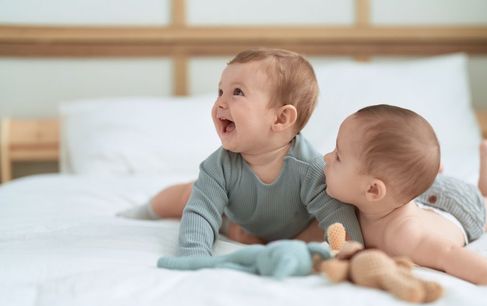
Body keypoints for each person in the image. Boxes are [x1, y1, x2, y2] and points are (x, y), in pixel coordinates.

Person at [121, 47, 365, 256]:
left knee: (315, 234)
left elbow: (336, 215)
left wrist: (350, 253)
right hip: (234, 214)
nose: (220, 103)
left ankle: (250, 235)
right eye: (220, 92)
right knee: (188, 198)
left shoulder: (311, 169)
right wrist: (193, 256)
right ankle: (145, 209)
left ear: (281, 118)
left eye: (237, 92)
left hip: (294, 228)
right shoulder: (217, 167)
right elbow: (200, 215)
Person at [323, 104, 487, 290]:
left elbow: (449, 254)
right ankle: (431, 175)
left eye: (338, 156)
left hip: (458, 210)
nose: (326, 157)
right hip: (419, 196)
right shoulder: (365, 199)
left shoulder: (405, 235)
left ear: (372, 190)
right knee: (407, 183)